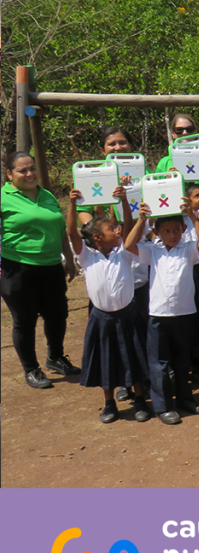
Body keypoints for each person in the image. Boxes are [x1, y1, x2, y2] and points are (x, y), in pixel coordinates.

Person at [67, 187, 150, 423]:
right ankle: (109, 403)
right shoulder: (87, 256)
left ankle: (141, 399)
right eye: (111, 229)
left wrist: (126, 203)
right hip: (101, 317)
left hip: (128, 314)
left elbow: (130, 227)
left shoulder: (123, 252)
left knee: (134, 356)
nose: (117, 230)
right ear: (97, 238)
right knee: (106, 358)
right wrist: (72, 205)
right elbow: (72, 232)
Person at [123, 199, 199, 424]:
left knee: (183, 360)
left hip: (184, 313)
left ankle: (184, 398)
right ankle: (162, 406)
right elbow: (128, 245)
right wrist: (141, 219)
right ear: (157, 232)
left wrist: (192, 215)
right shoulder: (153, 251)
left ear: (183, 230)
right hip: (159, 315)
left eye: (177, 230)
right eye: (167, 231)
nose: (173, 235)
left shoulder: (188, 249)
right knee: (159, 363)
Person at [1, 152, 78, 388]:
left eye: (32, 168)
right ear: (10, 174)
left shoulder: (46, 195)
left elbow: (60, 229)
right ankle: (31, 369)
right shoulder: (4, 198)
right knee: (24, 321)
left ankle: (55, 357)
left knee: (57, 315)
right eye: (22, 170)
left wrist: (69, 258)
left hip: (51, 265)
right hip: (18, 268)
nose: (29, 174)